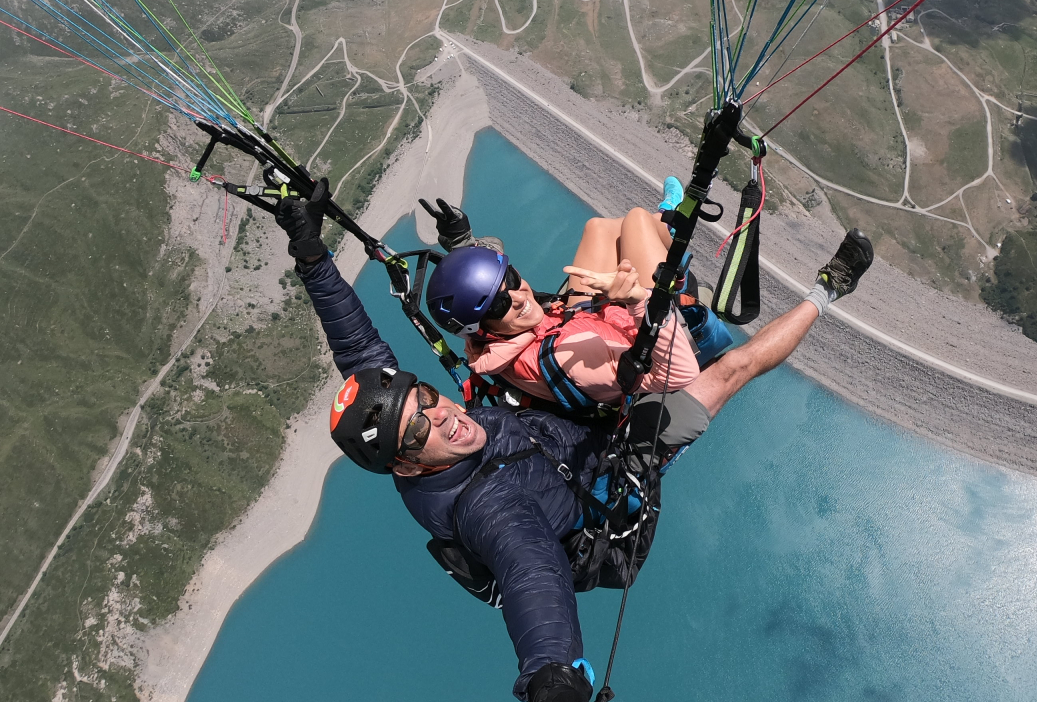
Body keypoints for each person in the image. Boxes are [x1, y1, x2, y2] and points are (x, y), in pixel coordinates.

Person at [275, 185, 874, 702]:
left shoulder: (444, 433)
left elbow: (360, 353)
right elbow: (529, 576)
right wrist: (551, 674)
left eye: (428, 400)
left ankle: (686, 315)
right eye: (418, 429)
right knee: (730, 372)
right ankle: (829, 290)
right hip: (614, 481)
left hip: (561, 434)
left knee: (558, 314)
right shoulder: (487, 509)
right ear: (403, 463)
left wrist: (312, 257)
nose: (444, 417)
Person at [419, 200, 713, 414]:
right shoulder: (570, 353)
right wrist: (637, 300)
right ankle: (669, 248)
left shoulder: (488, 339)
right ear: (482, 329)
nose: (521, 295)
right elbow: (680, 375)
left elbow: (487, 292)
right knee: (637, 220)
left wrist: (463, 247)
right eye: (499, 304)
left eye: (510, 277)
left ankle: (660, 225)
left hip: (569, 321)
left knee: (597, 228)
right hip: (643, 333)